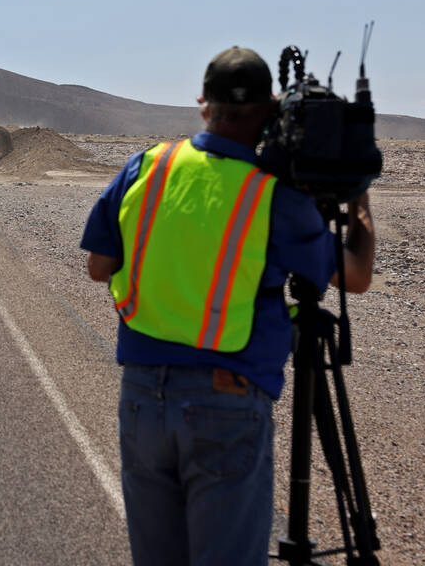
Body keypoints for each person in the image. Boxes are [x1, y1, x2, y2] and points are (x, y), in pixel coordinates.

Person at [80, 46, 375, 566]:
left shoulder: (148, 165)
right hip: (225, 404)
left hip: (142, 398)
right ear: (269, 112)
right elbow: (354, 276)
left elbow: (99, 266)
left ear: (203, 104)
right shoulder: (273, 197)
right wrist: (360, 202)